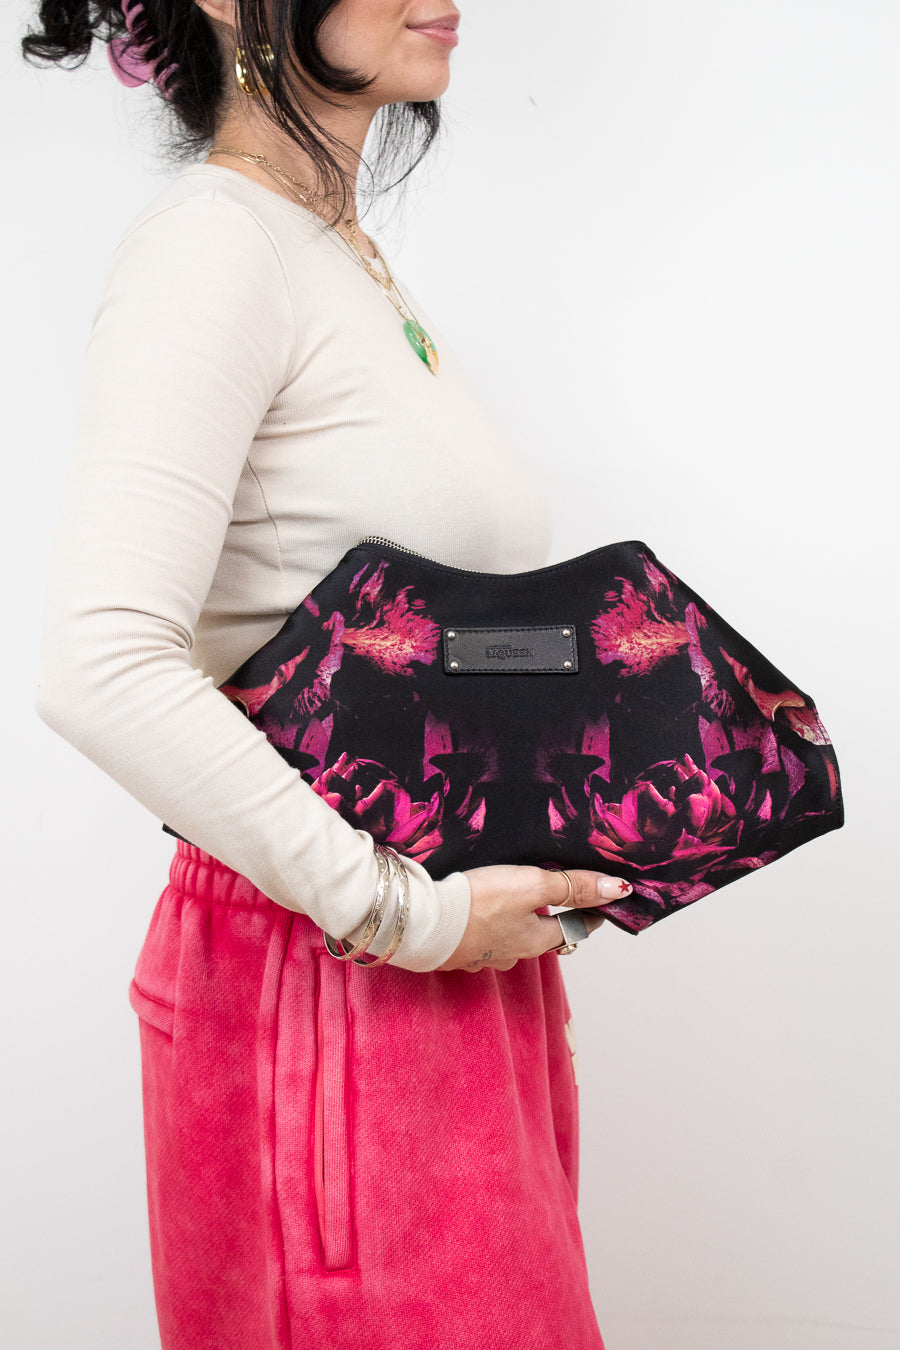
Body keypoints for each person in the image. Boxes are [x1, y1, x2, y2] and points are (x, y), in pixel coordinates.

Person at [24, 2, 632, 1346]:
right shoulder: (212, 251)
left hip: (441, 975)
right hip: (326, 975)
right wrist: (404, 915)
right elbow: (98, 655)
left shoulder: (335, 259)